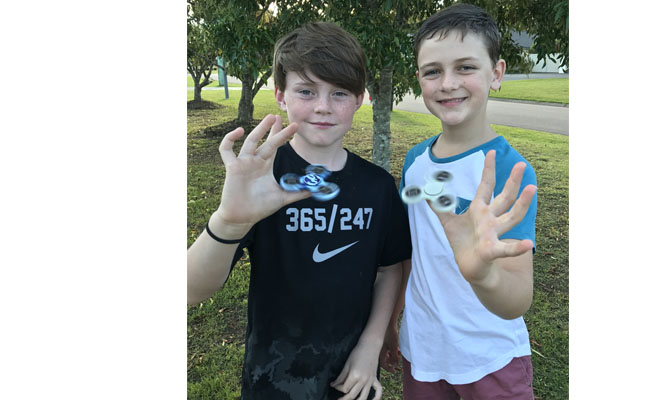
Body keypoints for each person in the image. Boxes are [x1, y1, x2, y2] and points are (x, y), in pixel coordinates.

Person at [187, 21, 411, 400]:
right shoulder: (263, 177)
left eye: (339, 93)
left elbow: (389, 270)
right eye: (306, 91)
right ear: (281, 95)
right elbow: (190, 290)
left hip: (352, 376)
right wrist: (229, 220)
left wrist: (371, 345)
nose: (323, 106)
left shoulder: (377, 186)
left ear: (360, 99)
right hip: (272, 379)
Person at [378, 4, 539, 400]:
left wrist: (483, 275)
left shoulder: (510, 171)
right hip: (423, 351)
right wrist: (391, 321)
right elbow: (410, 255)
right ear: (419, 79)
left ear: (496, 73)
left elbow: (518, 299)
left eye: (465, 67)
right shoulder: (415, 162)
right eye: (433, 71)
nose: (448, 83)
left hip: (491, 358)